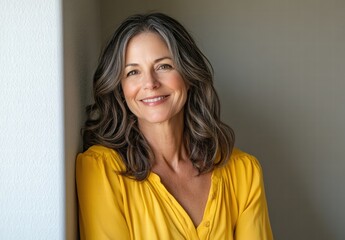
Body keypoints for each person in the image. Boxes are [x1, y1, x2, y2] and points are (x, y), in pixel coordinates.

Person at [76, 12, 273, 240]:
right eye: (133, 72)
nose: (150, 83)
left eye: (164, 66)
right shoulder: (102, 171)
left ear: (188, 75)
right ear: (121, 89)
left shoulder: (244, 173)